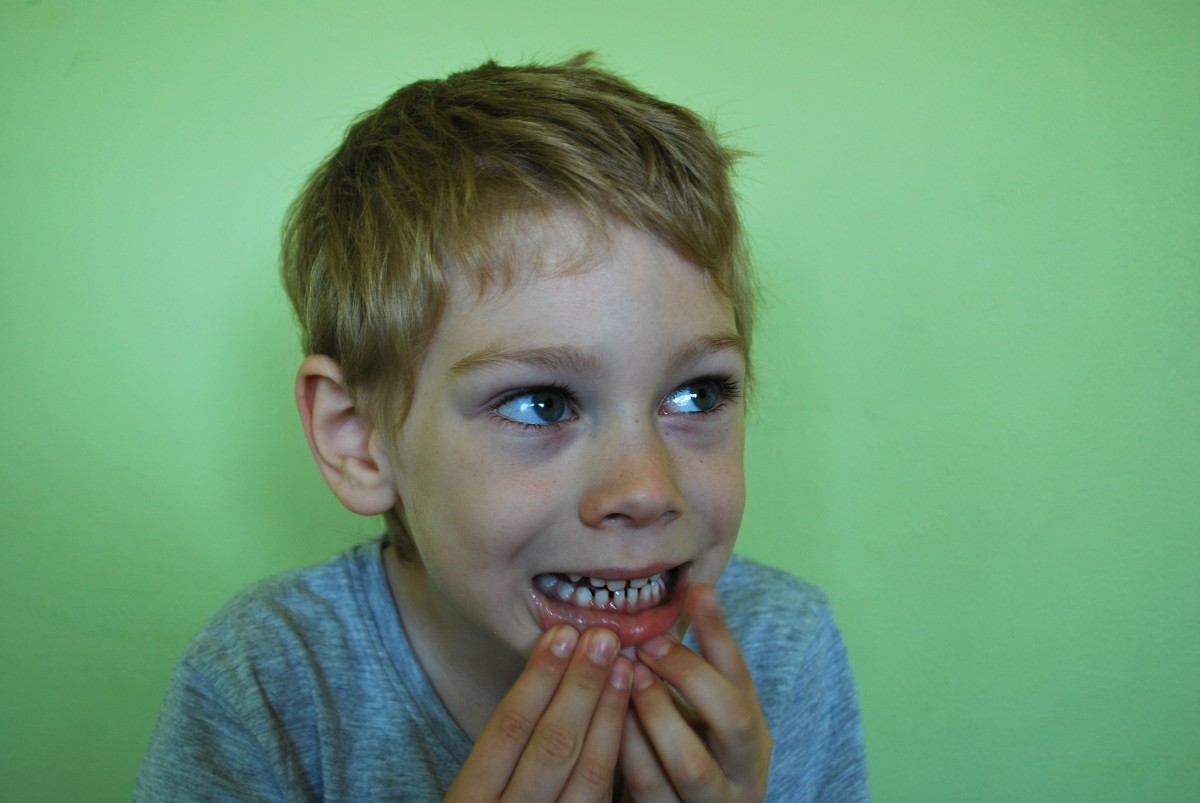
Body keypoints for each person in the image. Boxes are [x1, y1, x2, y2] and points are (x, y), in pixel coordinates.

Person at [135, 54, 867, 801]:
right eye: (540, 403)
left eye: (695, 394)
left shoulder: (784, 649)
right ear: (357, 437)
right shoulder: (267, 684)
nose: (647, 489)